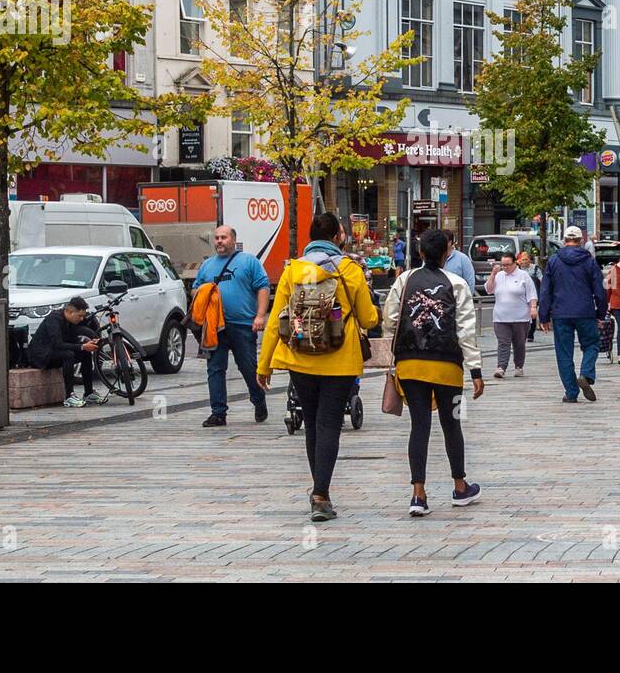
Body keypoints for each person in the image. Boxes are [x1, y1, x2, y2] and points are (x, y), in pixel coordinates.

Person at [259, 212, 379, 522]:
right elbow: (368, 319)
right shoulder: (349, 270)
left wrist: (265, 365)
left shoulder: (292, 270)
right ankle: (320, 494)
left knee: (311, 423)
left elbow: (275, 320)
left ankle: (319, 490)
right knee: (329, 424)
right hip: (339, 360)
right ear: (339, 236)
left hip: (299, 357)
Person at [382, 229, 483, 516]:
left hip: (410, 365)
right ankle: (460, 486)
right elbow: (466, 330)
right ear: (446, 253)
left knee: (419, 426)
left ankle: (418, 494)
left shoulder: (404, 280)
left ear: (421, 253)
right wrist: (475, 370)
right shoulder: (458, 284)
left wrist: (395, 347)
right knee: (453, 423)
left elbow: (390, 318)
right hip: (448, 368)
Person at [193, 225, 272, 427]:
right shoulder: (207, 265)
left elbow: (262, 287)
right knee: (215, 369)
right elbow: (195, 291)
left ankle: (258, 400)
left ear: (233, 240)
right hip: (214, 327)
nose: (219, 241)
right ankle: (218, 413)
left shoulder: (248, 261)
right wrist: (204, 294)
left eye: (224, 237)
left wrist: (260, 316)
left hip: (243, 325)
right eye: (217, 238)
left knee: (248, 368)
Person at [539, 226, 607, 402]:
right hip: (585, 311)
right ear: (581, 241)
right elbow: (599, 290)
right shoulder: (589, 261)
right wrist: (601, 313)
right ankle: (586, 374)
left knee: (564, 353)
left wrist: (544, 316)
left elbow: (545, 290)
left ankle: (571, 393)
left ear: (564, 240)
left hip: (561, 313)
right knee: (592, 344)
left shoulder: (553, 261)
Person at [26, 296, 105, 407]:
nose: (82, 319)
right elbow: (57, 344)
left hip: (55, 352)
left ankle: (89, 393)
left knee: (85, 354)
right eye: (80, 316)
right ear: (70, 312)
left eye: (83, 316)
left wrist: (93, 338)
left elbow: (77, 333)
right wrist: (82, 346)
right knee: (69, 355)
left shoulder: (70, 321)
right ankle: (69, 396)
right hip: (42, 356)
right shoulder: (54, 319)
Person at [485, 251, 537, 378]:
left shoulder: (523, 275)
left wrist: (533, 308)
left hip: (521, 317)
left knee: (519, 344)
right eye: (503, 265)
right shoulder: (499, 275)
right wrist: (493, 274)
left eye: (508, 264)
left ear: (515, 263)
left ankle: (519, 366)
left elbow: (532, 293)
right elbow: (488, 290)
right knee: (503, 342)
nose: (505, 267)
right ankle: (501, 367)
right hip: (501, 317)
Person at [441, 230, 477, 296]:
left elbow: (470, 282)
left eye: (441, 241)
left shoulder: (463, 259)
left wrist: (466, 301)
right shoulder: (434, 257)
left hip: (457, 301)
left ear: (449, 242)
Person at [518, 251, 541, 341]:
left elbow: (541, 278)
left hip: (532, 294)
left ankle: (530, 334)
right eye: (523, 259)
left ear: (529, 260)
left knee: (532, 313)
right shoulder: (518, 268)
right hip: (521, 295)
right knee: (522, 314)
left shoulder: (535, 268)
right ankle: (523, 333)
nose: (524, 261)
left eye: (526, 259)